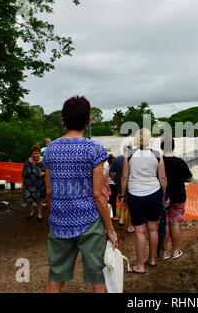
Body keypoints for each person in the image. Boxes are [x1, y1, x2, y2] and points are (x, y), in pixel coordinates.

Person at [43, 96, 118, 293]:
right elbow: (97, 194)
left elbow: (49, 192)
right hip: (89, 222)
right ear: (89, 120)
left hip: (59, 222)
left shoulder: (50, 150)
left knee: (55, 278)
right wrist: (110, 229)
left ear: (63, 120)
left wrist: (53, 216)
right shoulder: (94, 149)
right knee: (97, 277)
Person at [120, 128, 167, 273]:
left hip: (135, 195)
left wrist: (122, 195)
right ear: (149, 138)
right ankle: (152, 259)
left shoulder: (129, 154)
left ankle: (139, 266)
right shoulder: (158, 154)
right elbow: (163, 178)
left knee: (140, 232)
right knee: (153, 228)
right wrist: (164, 195)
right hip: (154, 193)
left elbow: (124, 177)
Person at [159, 136, 192, 260]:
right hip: (178, 196)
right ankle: (175, 251)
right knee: (175, 223)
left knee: (164, 224)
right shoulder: (180, 162)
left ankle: (163, 253)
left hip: (162, 197)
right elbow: (188, 178)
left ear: (161, 147)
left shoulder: (158, 162)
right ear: (173, 146)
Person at [109, 143, 135, 233]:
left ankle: (122, 219)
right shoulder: (133, 159)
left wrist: (116, 181)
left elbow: (111, 172)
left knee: (123, 202)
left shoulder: (117, 159)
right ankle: (130, 226)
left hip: (120, 185)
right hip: (132, 185)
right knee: (131, 206)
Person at [22, 145, 46, 220]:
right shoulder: (27, 161)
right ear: (31, 153)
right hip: (28, 184)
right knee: (28, 199)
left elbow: (48, 172)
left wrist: (44, 173)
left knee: (39, 200)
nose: (36, 155)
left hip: (40, 184)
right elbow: (23, 173)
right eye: (34, 153)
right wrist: (23, 184)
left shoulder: (44, 160)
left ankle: (39, 214)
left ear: (40, 153)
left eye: (37, 153)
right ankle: (31, 212)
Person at [105, 154, 119, 221]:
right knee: (114, 201)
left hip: (107, 186)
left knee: (108, 201)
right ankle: (114, 215)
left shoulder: (105, 168)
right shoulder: (115, 169)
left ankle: (108, 215)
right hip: (113, 185)